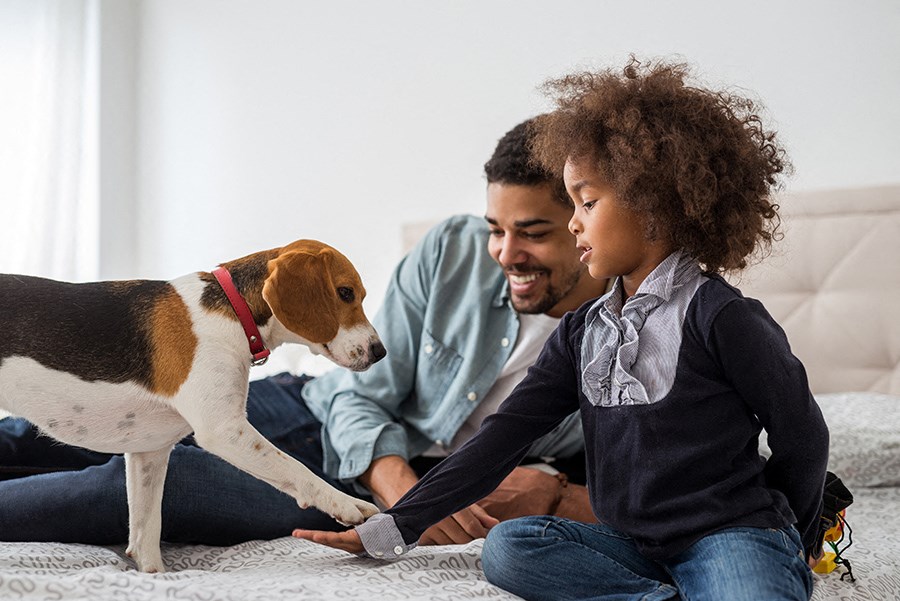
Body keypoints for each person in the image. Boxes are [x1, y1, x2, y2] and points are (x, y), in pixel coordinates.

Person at [294, 58, 830, 601]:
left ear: (656, 207)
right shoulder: (582, 332)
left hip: (728, 536)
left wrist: (793, 533)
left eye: (587, 202)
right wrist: (394, 528)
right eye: (571, 204)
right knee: (511, 547)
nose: (574, 221)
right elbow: (502, 439)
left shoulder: (723, 316)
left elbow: (803, 435)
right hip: (630, 545)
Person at [0, 117, 607, 546]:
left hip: (385, 478)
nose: (504, 253)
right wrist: (392, 481)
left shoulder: (629, 335)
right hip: (319, 412)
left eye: (534, 232)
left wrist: (551, 491)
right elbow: (363, 391)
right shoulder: (453, 249)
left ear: (584, 218)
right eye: (496, 228)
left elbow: (650, 483)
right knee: (38, 429)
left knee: (157, 482)